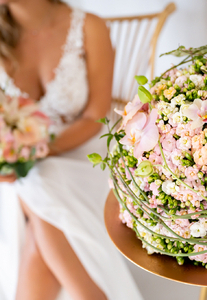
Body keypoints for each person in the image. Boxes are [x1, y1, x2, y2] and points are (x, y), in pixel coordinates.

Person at [0, 0, 143, 299]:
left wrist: (39, 151)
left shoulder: (89, 26)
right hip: (20, 162)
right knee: (38, 184)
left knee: (42, 180)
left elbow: (96, 115)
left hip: (86, 150)